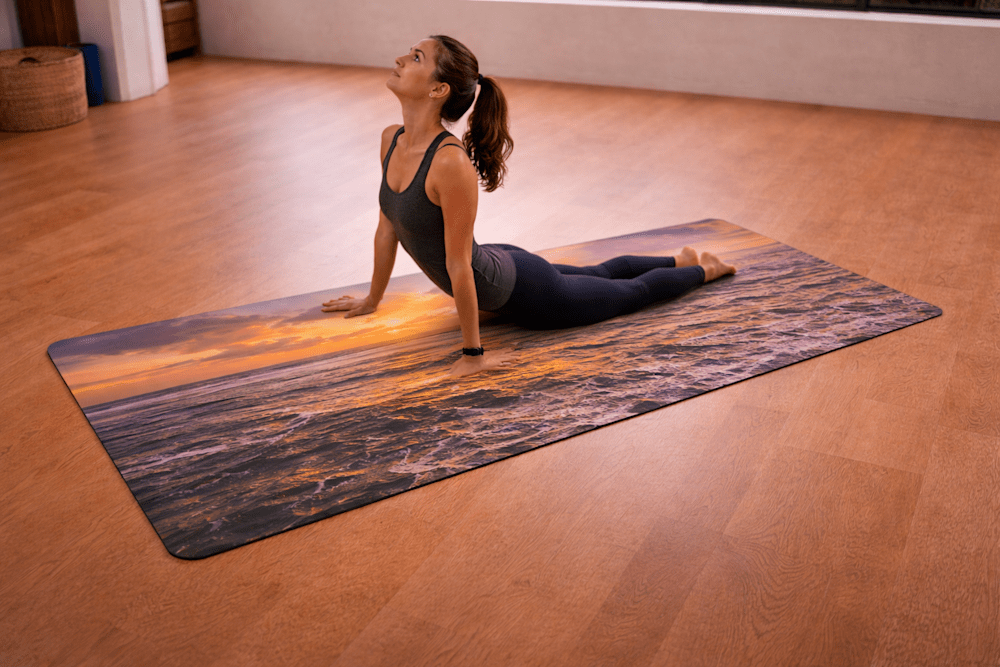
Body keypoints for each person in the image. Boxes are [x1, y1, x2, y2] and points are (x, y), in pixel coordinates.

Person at [322, 35, 735, 378]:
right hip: (499, 262)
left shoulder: (449, 163)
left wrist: (473, 355)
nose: (399, 59)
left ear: (438, 89)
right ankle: (678, 258)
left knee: (630, 293)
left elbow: (458, 265)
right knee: (600, 274)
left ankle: (705, 270)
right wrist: (372, 299)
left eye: (416, 57)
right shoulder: (391, 139)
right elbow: (388, 228)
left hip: (529, 292)